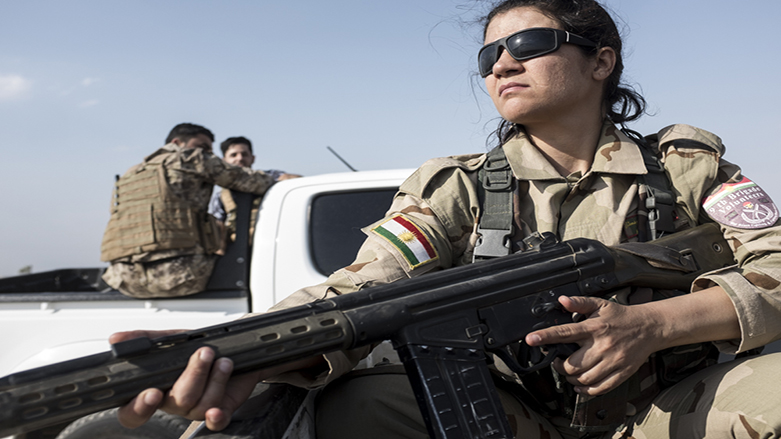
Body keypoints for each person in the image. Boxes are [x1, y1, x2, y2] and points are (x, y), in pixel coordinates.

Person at [112, 1, 781, 438]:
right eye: (488, 55)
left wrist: (652, 325)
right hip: (517, 418)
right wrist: (239, 351)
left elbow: (775, 265)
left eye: (528, 41)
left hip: (662, 414)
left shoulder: (685, 167)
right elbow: (362, 286)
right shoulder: (458, 186)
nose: (503, 63)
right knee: (357, 406)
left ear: (600, 61)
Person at [100, 124, 275, 299]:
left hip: (125, 281)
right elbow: (253, 182)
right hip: (182, 277)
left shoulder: (129, 174)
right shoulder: (193, 158)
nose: (209, 154)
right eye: (204, 147)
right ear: (177, 142)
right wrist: (279, 177)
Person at [208, 136, 300, 252]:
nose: (240, 158)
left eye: (244, 154)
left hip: (275, 249)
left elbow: (296, 182)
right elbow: (219, 231)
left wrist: (263, 184)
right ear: (224, 160)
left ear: (253, 158)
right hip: (241, 253)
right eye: (233, 155)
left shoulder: (270, 176)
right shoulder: (222, 196)